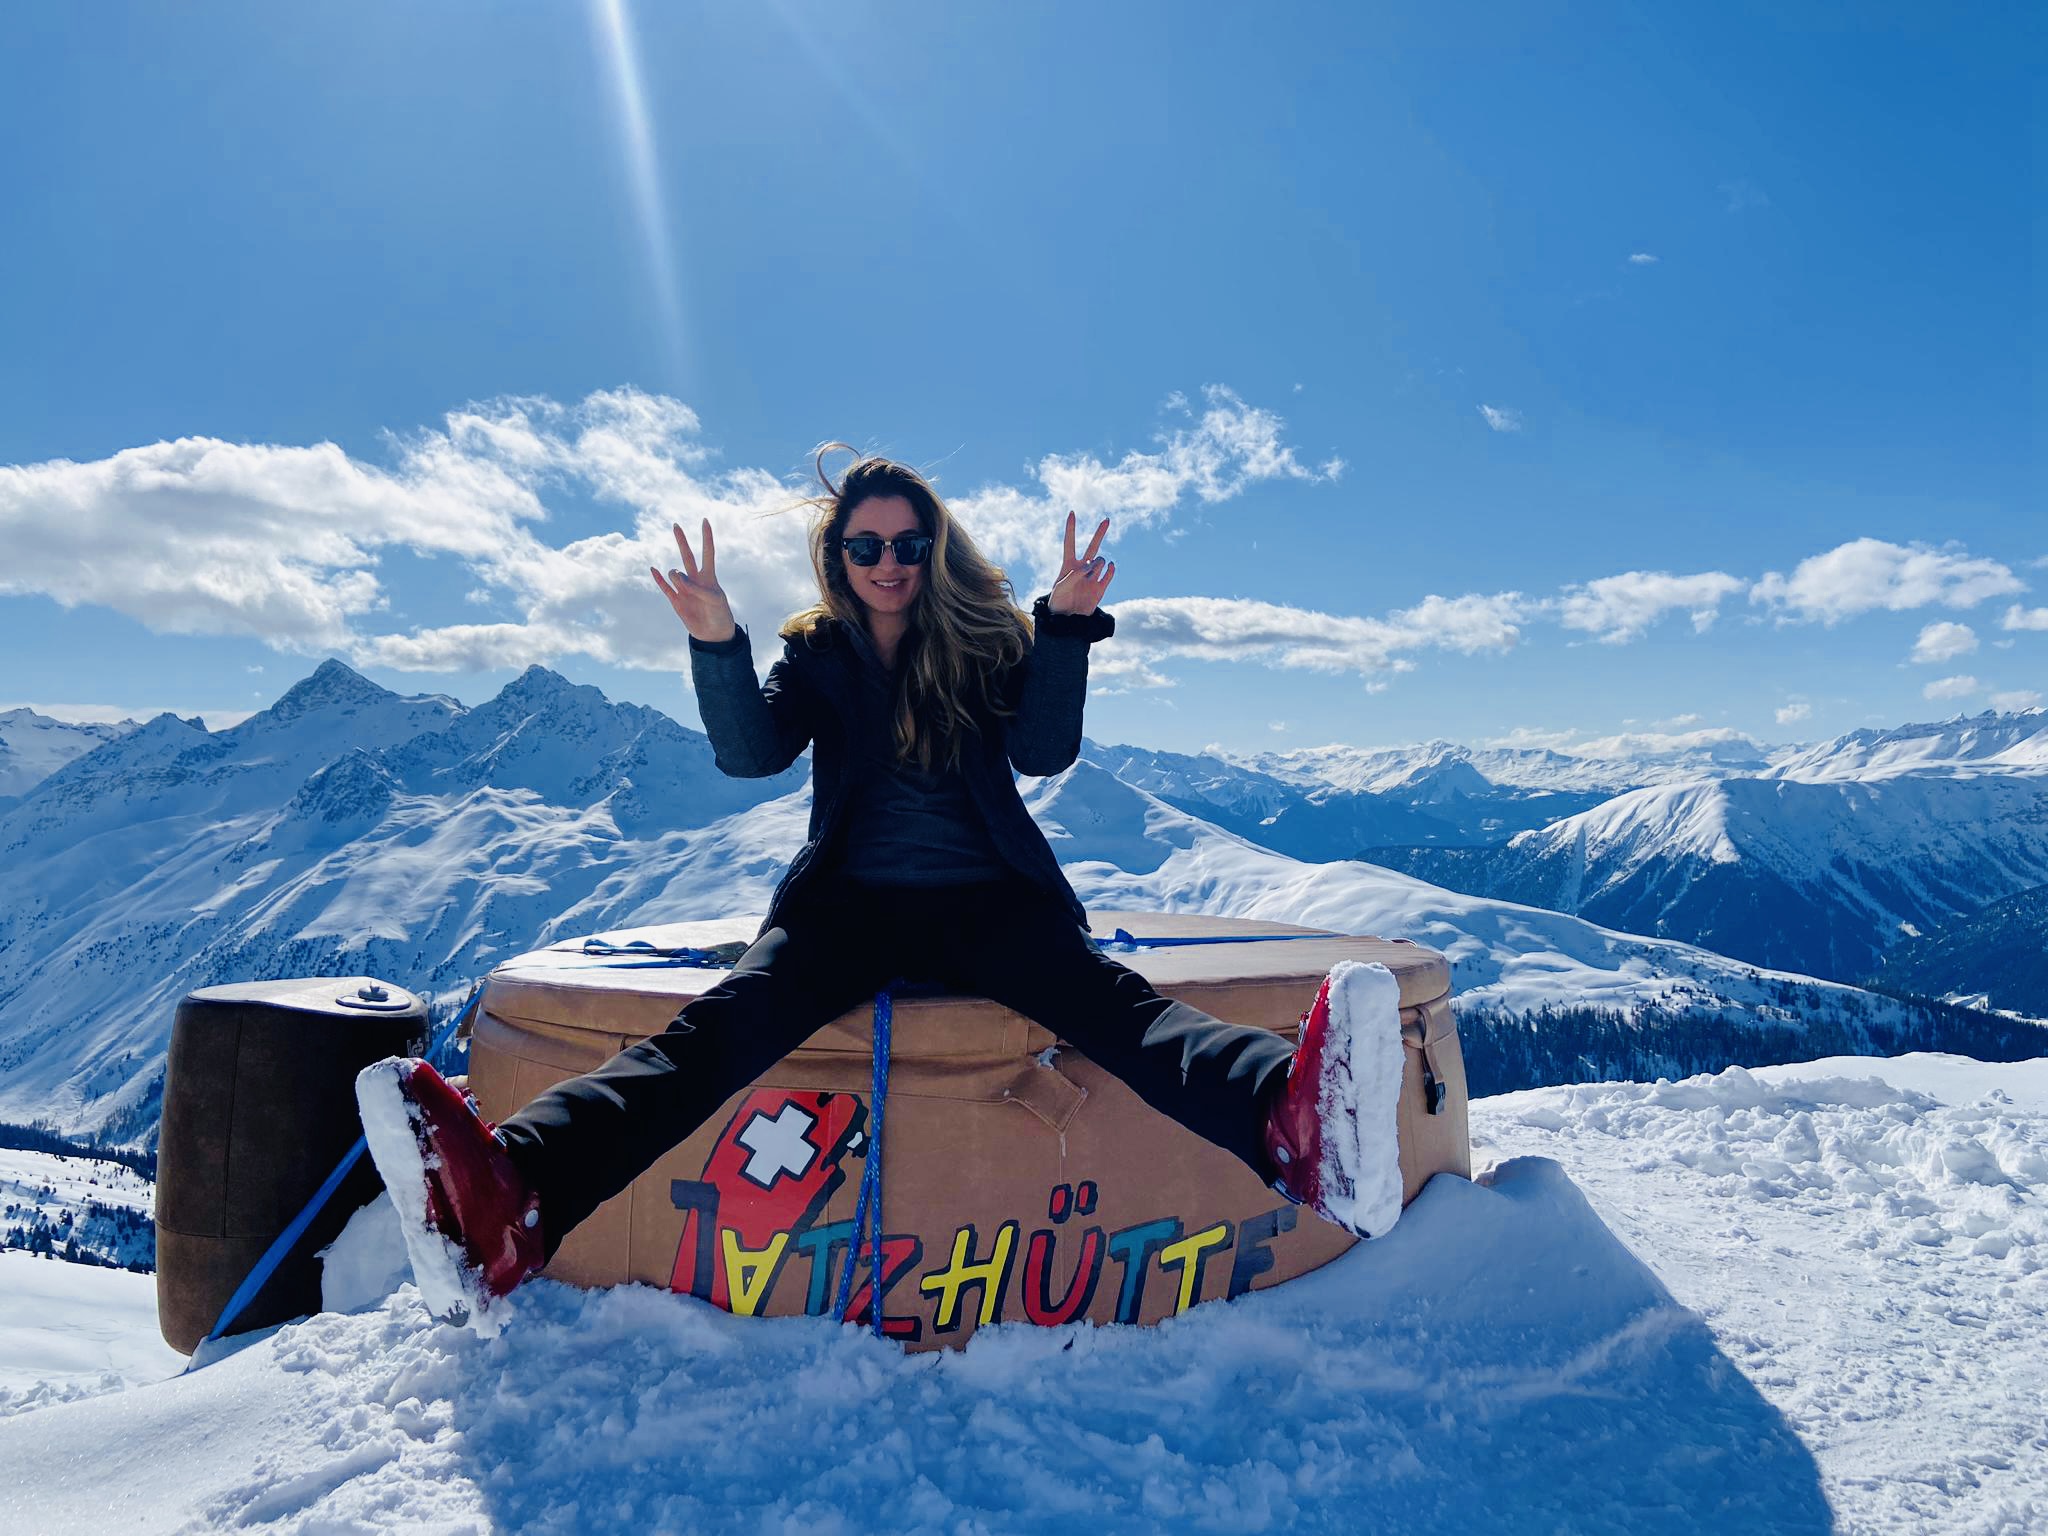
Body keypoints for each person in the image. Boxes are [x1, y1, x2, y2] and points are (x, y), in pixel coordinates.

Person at [357, 447, 1385, 1321]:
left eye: (906, 544)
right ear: (836, 558)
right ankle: (518, 1192)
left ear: (932, 551)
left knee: (1109, 1008)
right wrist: (717, 637)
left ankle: (1286, 1127)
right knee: (718, 1034)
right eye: (865, 546)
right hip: (846, 908)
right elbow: (753, 755)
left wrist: (1063, 626)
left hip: (988, 897)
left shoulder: (984, 642)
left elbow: (1044, 750)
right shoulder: (814, 656)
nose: (888, 563)